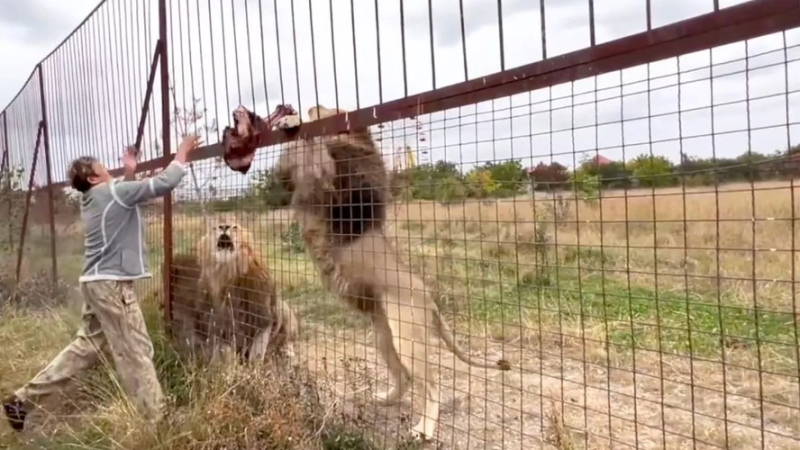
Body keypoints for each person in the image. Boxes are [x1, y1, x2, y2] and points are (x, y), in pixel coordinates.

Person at [2, 134, 202, 432]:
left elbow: (123, 199)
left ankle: (22, 400)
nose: (108, 168)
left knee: (85, 348)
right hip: (111, 287)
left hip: (96, 282)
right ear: (94, 176)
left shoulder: (93, 197)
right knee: (136, 350)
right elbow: (162, 183)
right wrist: (183, 152)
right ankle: (157, 420)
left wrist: (129, 168)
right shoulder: (111, 192)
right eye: (103, 166)